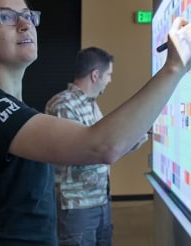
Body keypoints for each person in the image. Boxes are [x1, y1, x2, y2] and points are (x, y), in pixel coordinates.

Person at [0, 0, 191, 245]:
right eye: (6, 16)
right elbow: (101, 146)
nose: (24, 24)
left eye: (28, 15)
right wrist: (173, 67)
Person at [45, 47, 148, 246]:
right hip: (77, 206)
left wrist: (139, 133)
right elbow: (90, 151)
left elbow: (106, 145)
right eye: (109, 75)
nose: (110, 80)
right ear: (95, 75)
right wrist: (129, 138)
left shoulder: (91, 104)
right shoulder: (63, 104)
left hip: (100, 201)